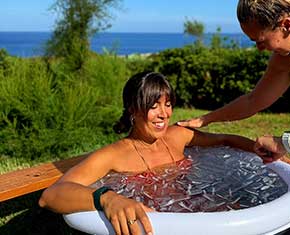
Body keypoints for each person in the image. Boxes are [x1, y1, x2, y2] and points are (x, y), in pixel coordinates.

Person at [177, 1, 290, 234]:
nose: (259, 49)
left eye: (260, 40)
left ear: (287, 26)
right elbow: (254, 100)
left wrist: (285, 142)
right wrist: (205, 119)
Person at [38, 71, 256, 235]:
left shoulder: (178, 136)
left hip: (193, 211)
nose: (164, 114)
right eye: (154, 106)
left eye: (168, 104)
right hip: (158, 225)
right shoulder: (113, 156)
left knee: (237, 209)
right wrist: (108, 198)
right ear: (132, 109)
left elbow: (226, 139)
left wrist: (260, 151)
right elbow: (50, 196)